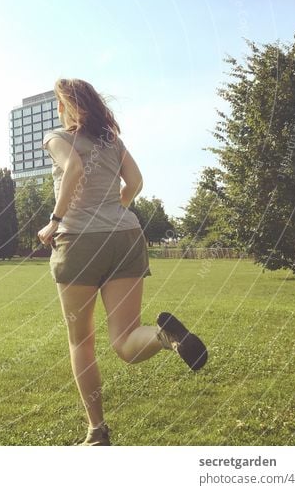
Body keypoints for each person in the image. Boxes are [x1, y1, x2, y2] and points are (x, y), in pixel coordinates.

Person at [37, 78, 208, 446]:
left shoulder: (57, 138)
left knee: (81, 342)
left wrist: (55, 218)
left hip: (79, 242)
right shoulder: (112, 141)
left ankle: (97, 431)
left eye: (58, 103)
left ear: (66, 106)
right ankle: (166, 337)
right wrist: (115, 213)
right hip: (127, 238)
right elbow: (136, 181)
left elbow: (75, 169)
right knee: (126, 339)